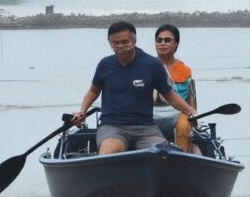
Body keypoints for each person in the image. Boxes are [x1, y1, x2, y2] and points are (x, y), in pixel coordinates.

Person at [70, 20, 197, 153]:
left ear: (134, 40)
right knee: (108, 153)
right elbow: (93, 91)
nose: (120, 46)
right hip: (113, 127)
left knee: (163, 153)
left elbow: (169, 95)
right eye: (115, 43)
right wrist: (82, 111)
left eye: (125, 42)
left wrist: (191, 111)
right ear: (110, 43)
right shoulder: (105, 65)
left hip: (146, 128)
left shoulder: (152, 65)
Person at [153, 22, 197, 151]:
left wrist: (193, 116)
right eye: (159, 40)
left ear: (176, 43)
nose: (162, 43)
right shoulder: (146, 65)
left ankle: (181, 159)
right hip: (150, 114)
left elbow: (191, 101)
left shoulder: (185, 70)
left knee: (184, 126)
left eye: (167, 40)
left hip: (177, 114)